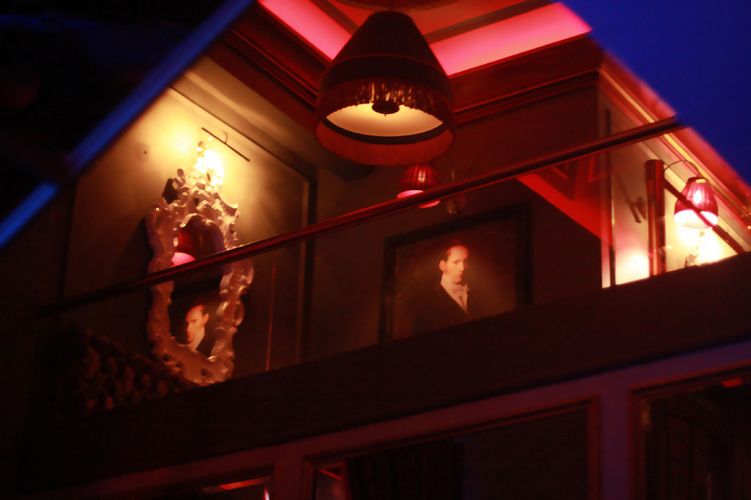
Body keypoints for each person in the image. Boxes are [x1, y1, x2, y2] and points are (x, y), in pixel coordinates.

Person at [412, 241, 473, 334]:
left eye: (465, 262)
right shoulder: (428, 301)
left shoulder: (477, 292)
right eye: (456, 262)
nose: (462, 268)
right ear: (443, 266)